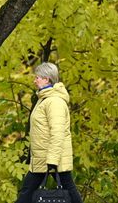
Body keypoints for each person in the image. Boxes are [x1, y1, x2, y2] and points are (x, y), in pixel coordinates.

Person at [14, 62, 84, 203]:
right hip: (42, 157)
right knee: (27, 193)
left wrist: (52, 160)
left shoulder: (54, 102)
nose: (35, 81)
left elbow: (57, 132)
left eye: (37, 78)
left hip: (51, 158)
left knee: (26, 194)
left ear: (47, 79)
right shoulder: (44, 99)